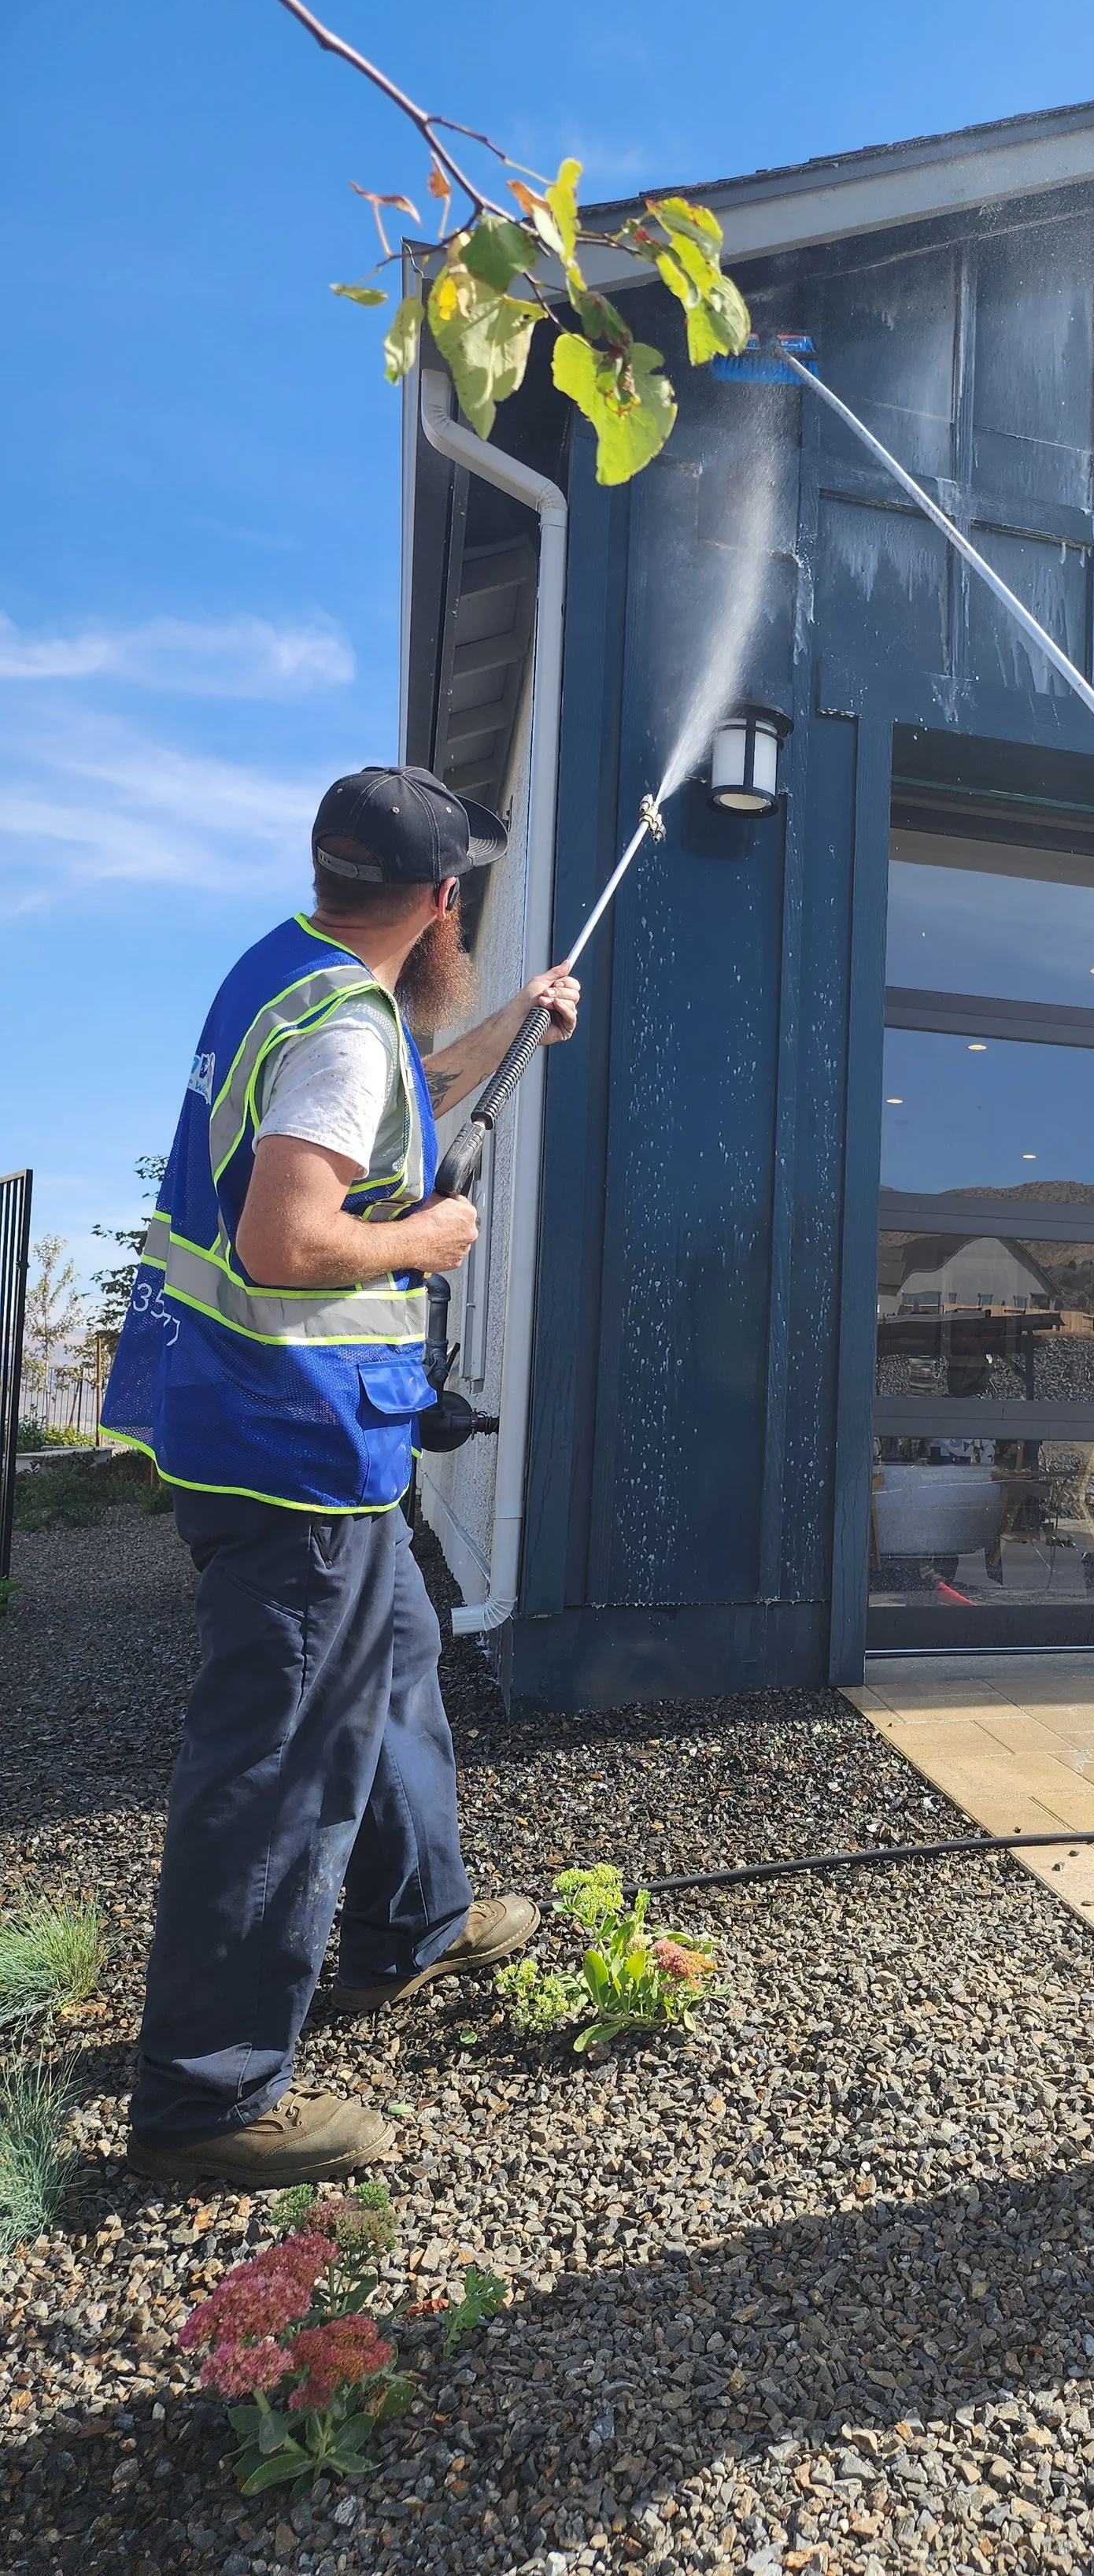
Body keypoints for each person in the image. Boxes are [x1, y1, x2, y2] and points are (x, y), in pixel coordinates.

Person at [102, 765, 582, 2187]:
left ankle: (411, 1922)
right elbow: (287, 1237)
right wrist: (421, 1245)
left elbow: (406, 1090)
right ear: (442, 903)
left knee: (399, 1658)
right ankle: (209, 2097)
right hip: (291, 1436)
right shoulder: (345, 1028)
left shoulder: (294, 975)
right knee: (280, 1760)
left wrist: (521, 1021)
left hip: (267, 1426)